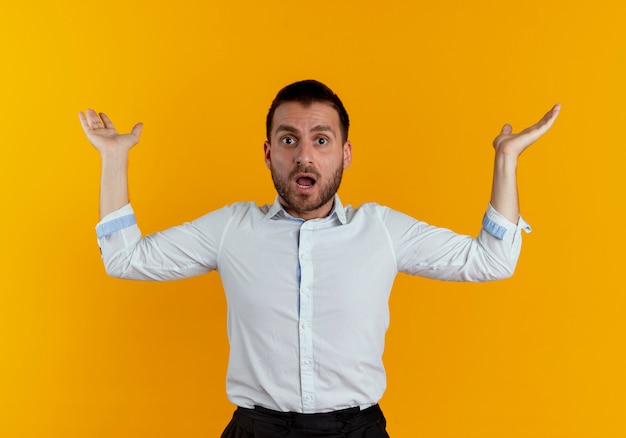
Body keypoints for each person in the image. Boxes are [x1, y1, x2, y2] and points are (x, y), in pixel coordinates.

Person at [79, 80, 559, 437]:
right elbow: (126, 259)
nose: (304, 155)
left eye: (321, 140)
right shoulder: (231, 228)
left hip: (357, 431)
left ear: (345, 154)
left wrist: (506, 162)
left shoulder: (382, 231)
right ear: (268, 154)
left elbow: (492, 261)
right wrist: (113, 158)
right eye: (289, 140)